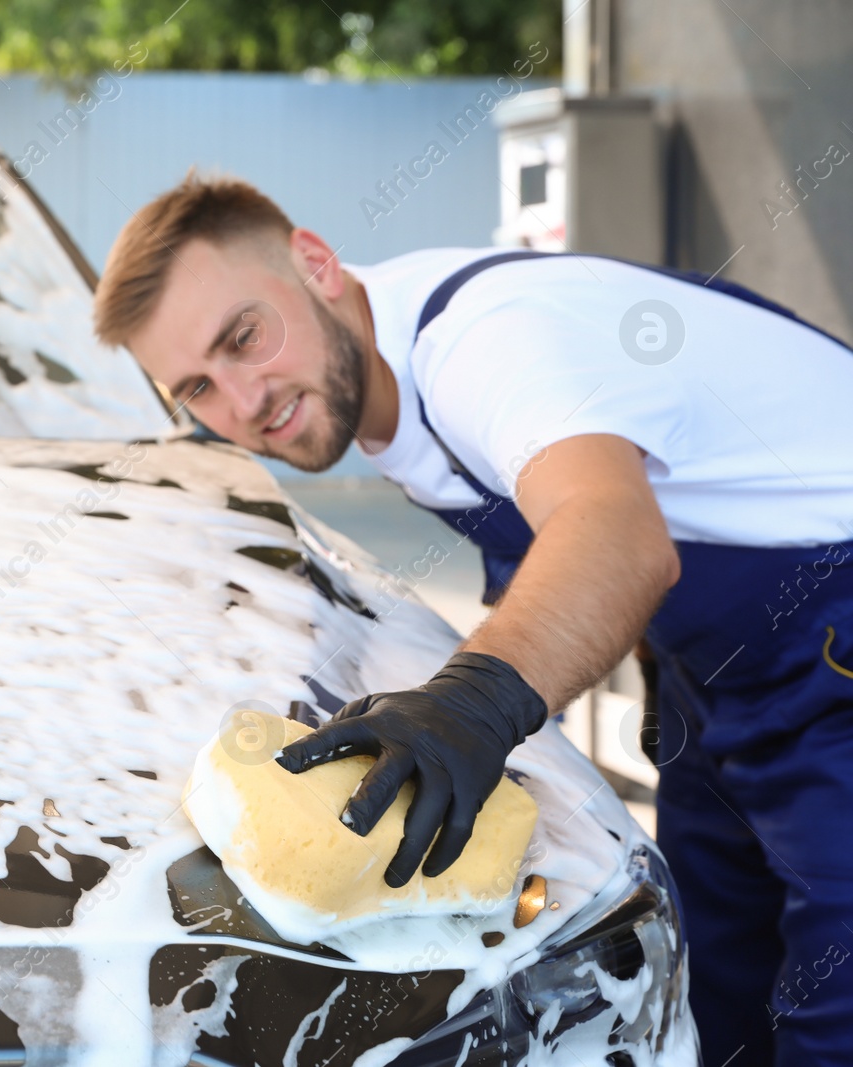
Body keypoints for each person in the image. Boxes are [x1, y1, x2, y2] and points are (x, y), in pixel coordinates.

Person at [91, 173, 853, 1065]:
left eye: (245, 336)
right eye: (199, 389)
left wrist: (474, 702)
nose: (244, 402)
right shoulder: (378, 387)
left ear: (315, 263)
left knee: (831, 1017)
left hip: (830, 650)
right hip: (727, 677)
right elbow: (550, 547)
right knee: (715, 997)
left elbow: (615, 533)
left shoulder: (481, 345)